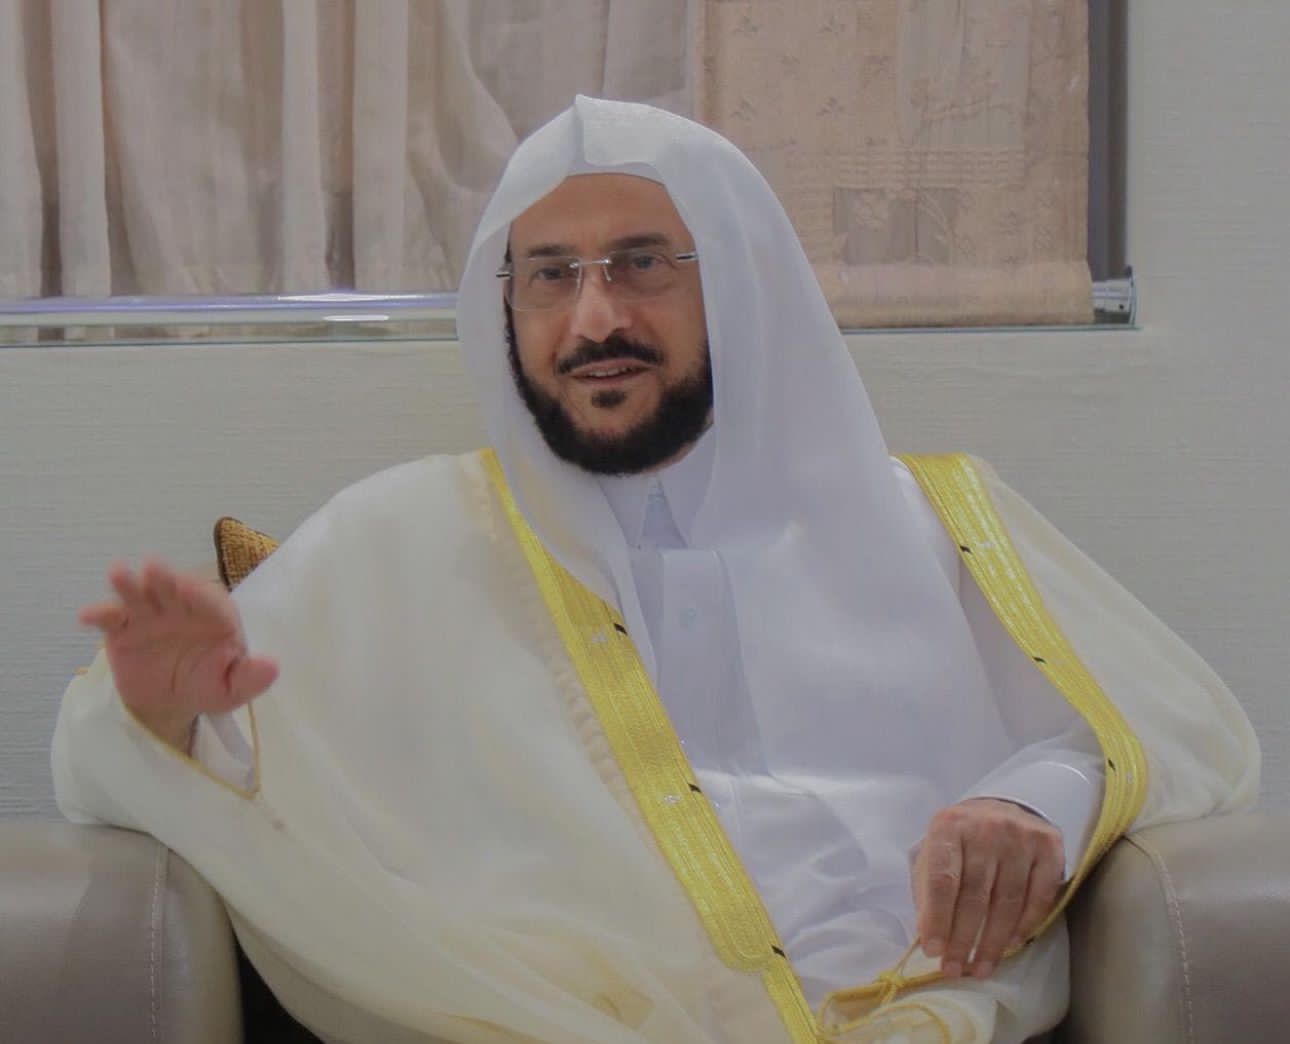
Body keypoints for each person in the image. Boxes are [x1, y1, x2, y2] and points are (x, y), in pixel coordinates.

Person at [53, 97, 1258, 1044]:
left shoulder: (929, 520)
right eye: (551, 274)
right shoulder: (394, 541)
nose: (594, 321)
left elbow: (1157, 728)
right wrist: (161, 717)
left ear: (736, 282)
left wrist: (1029, 805)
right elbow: (214, 782)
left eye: (641, 263)